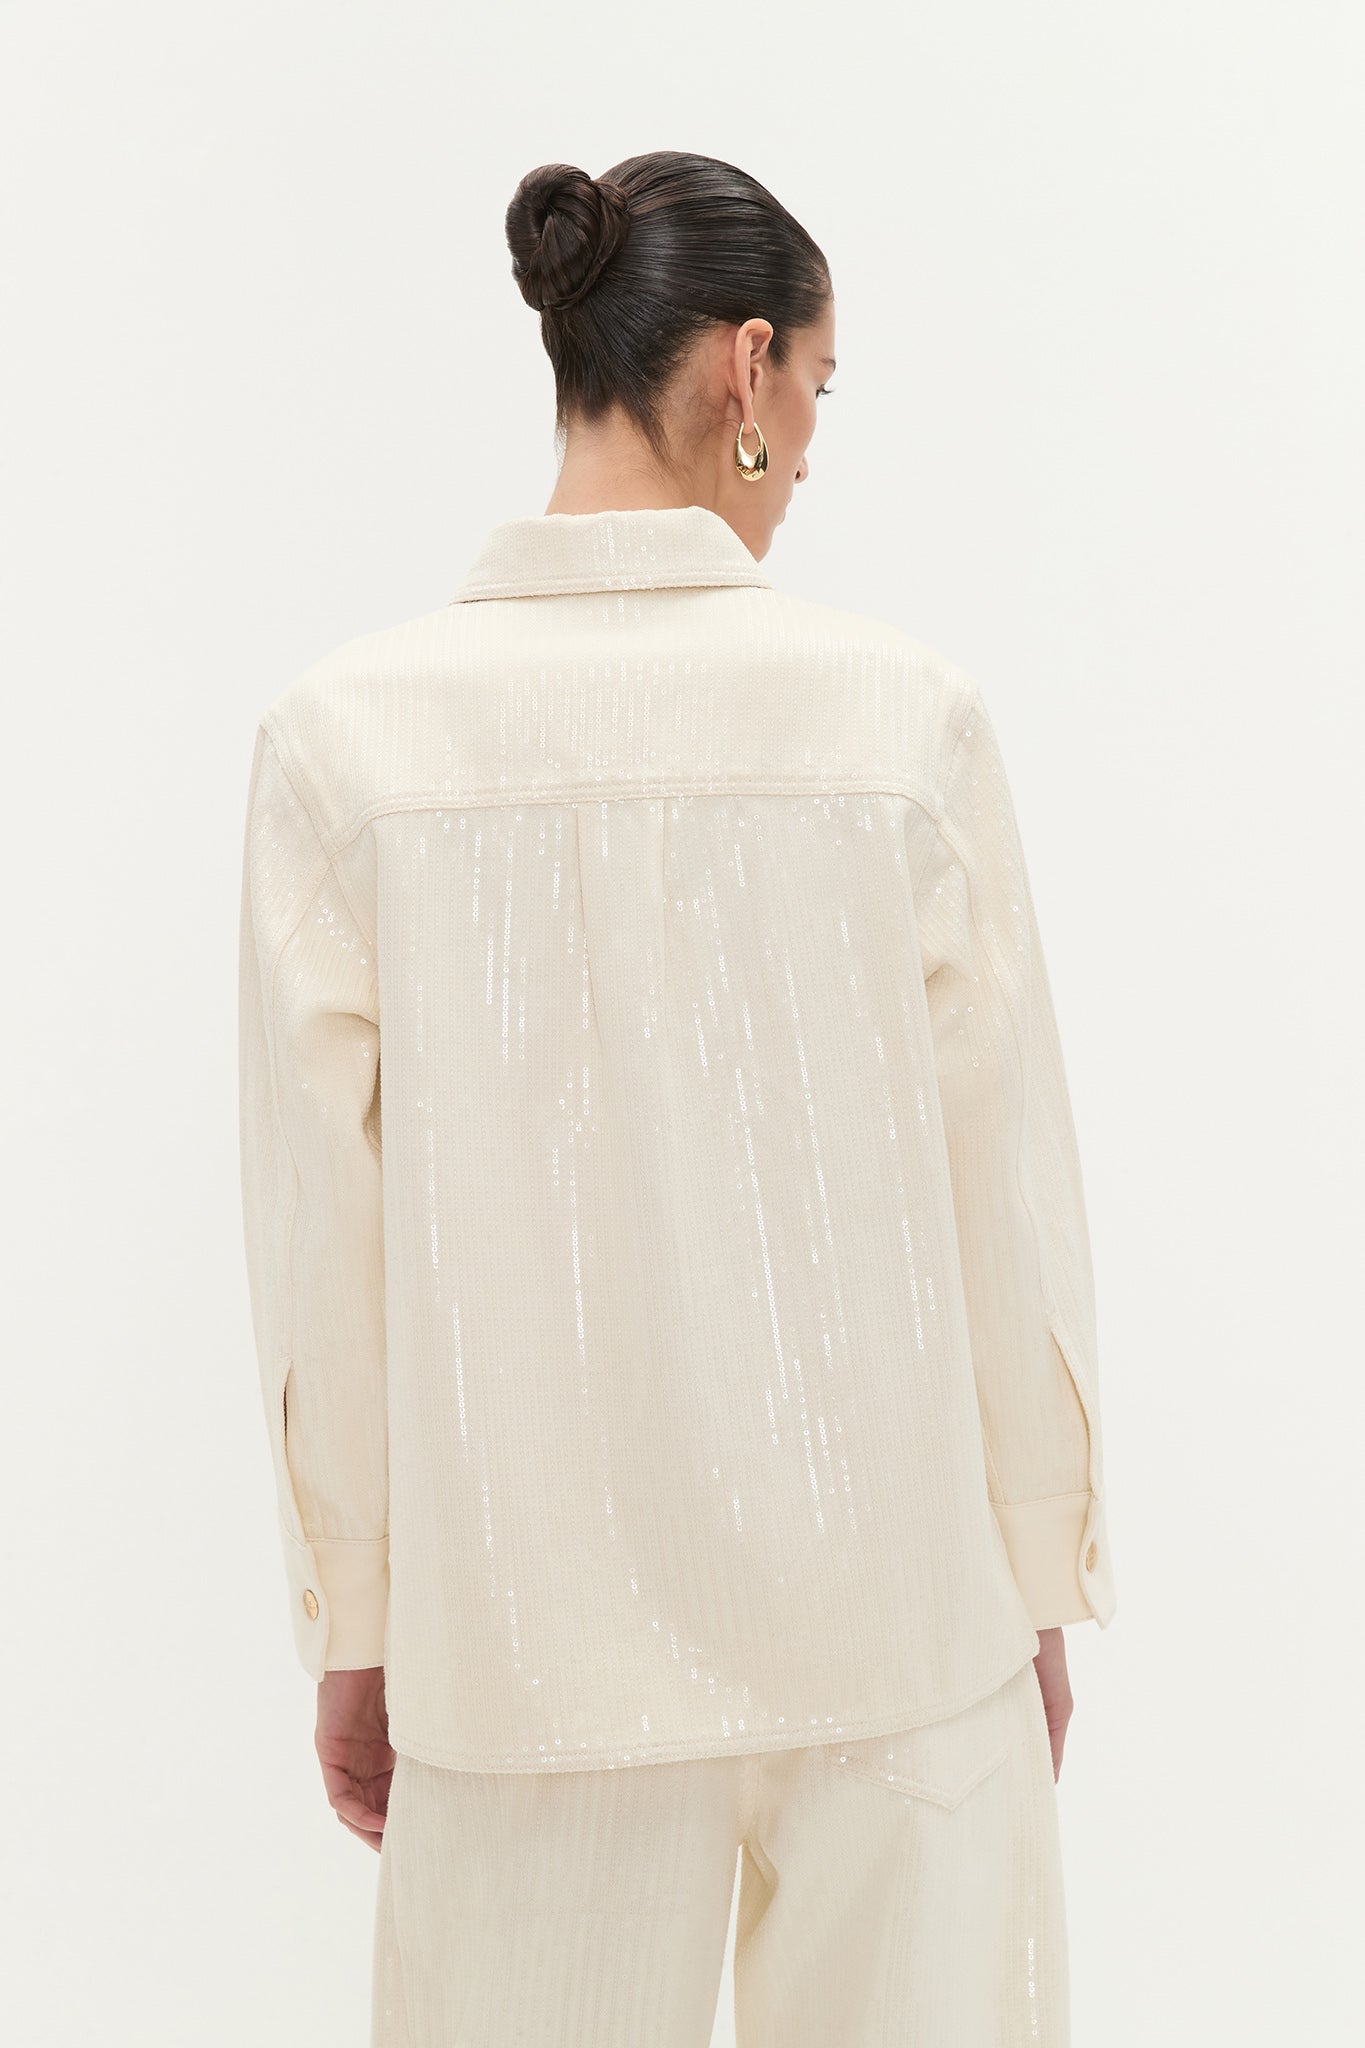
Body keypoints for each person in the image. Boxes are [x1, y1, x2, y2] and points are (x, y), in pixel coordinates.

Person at [237, 148, 1117, 2048]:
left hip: (520, 1640)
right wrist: (1033, 1565)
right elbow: (1001, 1183)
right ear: (745, 367)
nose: (806, 457)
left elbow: (324, 1244)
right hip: (898, 1621)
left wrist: (358, 1617)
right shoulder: (901, 720)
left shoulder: (344, 743)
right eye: (818, 388)